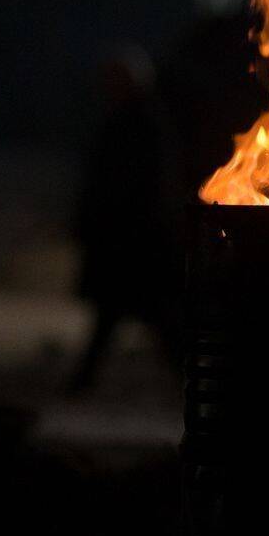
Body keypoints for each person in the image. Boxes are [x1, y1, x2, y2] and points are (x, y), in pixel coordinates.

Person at [68, 45, 182, 394]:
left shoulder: (143, 124)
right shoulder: (121, 121)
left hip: (134, 238)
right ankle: (85, 380)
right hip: (119, 236)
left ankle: (186, 379)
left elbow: (147, 183)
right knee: (121, 313)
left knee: (146, 315)